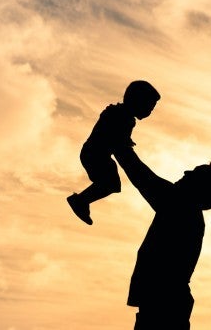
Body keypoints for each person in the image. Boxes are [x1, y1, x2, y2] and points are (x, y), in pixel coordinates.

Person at [113, 146, 211, 330]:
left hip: (164, 305)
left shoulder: (181, 206)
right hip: (166, 303)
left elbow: (140, 174)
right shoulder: (187, 211)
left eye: (195, 173)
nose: (186, 172)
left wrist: (116, 141)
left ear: (201, 187)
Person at [67, 80, 161, 225]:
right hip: (95, 154)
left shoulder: (123, 116)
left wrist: (126, 141)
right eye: (149, 107)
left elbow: (119, 137)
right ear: (138, 101)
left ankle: (82, 200)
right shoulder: (120, 115)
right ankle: (81, 200)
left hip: (97, 154)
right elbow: (115, 136)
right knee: (110, 184)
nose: (149, 112)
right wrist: (124, 143)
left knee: (111, 184)